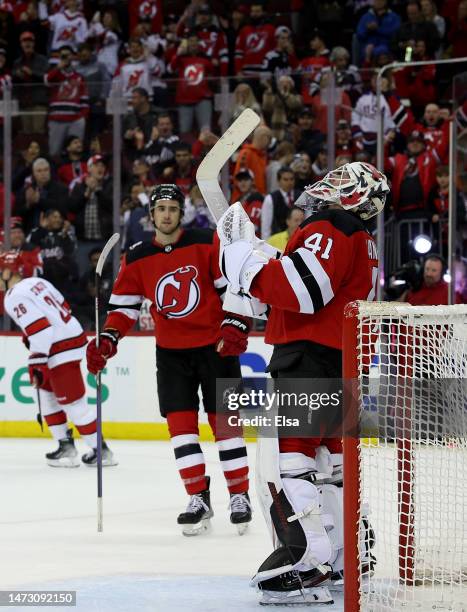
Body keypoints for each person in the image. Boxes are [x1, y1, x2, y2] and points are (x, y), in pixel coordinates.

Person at [217, 162, 389, 604]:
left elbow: (303, 291)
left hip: (309, 358)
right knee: (331, 468)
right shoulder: (361, 239)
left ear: (349, 194)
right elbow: (301, 284)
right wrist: (255, 264)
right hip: (342, 362)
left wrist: (240, 258)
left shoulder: (331, 224)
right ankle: (349, 554)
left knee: (286, 463)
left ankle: (306, 563)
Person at [86, 184, 252, 536]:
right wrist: (108, 338)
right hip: (172, 354)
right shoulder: (138, 256)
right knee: (180, 428)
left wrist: (235, 322)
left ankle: (239, 495)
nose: (166, 214)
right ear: (151, 216)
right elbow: (122, 308)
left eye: (172, 208)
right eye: (160, 208)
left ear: (181, 213)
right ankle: (197, 497)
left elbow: (232, 291)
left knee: (226, 427)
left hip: (216, 348)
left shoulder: (207, 242)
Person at [4, 276, 117, 467]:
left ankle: (101, 450)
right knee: (45, 394)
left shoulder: (12, 296)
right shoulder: (36, 281)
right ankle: (65, 446)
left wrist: (37, 362)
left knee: (73, 403)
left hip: (57, 346)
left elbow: (40, 330)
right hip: (67, 337)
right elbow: (64, 306)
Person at [261, 166, 301, 240]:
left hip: (298, 239)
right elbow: (265, 227)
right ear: (278, 181)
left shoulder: (302, 196)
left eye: (292, 179)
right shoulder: (270, 199)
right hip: (277, 241)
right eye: (285, 179)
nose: (289, 182)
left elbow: (308, 220)